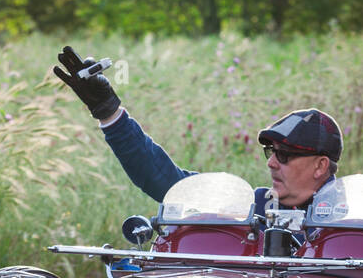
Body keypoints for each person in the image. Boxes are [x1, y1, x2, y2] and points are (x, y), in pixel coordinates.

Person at [53, 45, 343, 214]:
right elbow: (168, 183)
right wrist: (109, 113)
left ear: (320, 166)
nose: (270, 162)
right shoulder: (254, 207)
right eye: (271, 152)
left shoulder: (358, 218)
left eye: (285, 155)